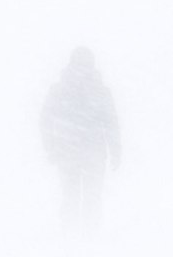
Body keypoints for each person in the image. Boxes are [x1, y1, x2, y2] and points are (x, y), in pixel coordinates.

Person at [40, 47, 121, 232]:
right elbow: (111, 123)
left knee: (72, 193)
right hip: (90, 151)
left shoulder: (61, 90)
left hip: (70, 150)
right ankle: (86, 233)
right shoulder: (99, 91)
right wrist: (116, 150)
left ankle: (73, 231)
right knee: (88, 194)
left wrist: (51, 147)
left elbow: (45, 120)